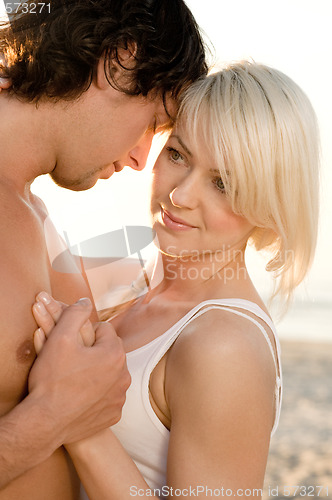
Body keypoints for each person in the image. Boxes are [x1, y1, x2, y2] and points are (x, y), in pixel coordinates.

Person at [32, 61, 320, 499]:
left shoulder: (226, 346)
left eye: (222, 183)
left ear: (267, 205)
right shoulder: (128, 280)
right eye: (178, 154)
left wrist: (77, 419)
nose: (180, 195)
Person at [0, 0, 207, 497]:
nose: (141, 159)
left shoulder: (33, 213)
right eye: (154, 122)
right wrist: (50, 419)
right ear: (121, 58)